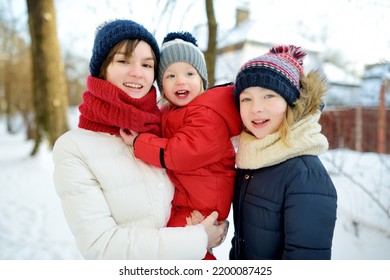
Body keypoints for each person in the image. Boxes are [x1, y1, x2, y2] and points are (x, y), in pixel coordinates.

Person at [52, 19, 227, 260]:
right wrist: (197, 239)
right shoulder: (74, 148)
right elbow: (100, 247)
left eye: (147, 64)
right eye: (123, 61)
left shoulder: (164, 131)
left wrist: (209, 220)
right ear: (103, 68)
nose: (137, 72)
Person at [120, 32, 242, 260]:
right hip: (189, 196)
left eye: (189, 73)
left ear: (202, 81)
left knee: (179, 249)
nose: (181, 81)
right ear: (161, 86)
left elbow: (180, 153)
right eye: (171, 75)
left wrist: (139, 142)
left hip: (204, 204)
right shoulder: (173, 113)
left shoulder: (207, 115)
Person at [229, 45, 338, 260]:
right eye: (246, 99)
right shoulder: (251, 158)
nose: (256, 108)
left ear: (290, 103)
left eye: (268, 96)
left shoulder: (305, 175)